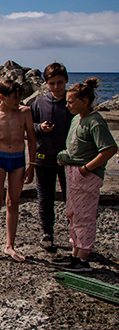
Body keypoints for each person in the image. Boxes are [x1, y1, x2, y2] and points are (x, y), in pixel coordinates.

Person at [55, 78, 118, 272]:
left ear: (85, 100)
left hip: (86, 175)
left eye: (71, 102)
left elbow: (109, 149)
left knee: (84, 216)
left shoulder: (95, 121)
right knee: (73, 214)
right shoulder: (77, 118)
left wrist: (86, 169)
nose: (68, 105)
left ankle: (83, 258)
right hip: (73, 172)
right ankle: (75, 254)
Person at [0, 80, 37, 262]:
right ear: (2, 97)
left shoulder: (25, 112)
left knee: (13, 202)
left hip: (18, 160)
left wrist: (32, 165)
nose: (18, 100)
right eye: (14, 98)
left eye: (19, 97)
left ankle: (9, 246)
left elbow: (32, 140)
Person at [30, 63, 73, 252]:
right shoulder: (40, 103)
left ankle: (75, 234)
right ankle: (47, 233)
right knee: (45, 199)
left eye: (60, 83)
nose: (56, 87)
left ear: (66, 81)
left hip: (70, 161)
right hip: (44, 158)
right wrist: (41, 128)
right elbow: (29, 126)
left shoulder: (73, 103)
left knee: (71, 199)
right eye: (52, 83)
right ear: (46, 83)